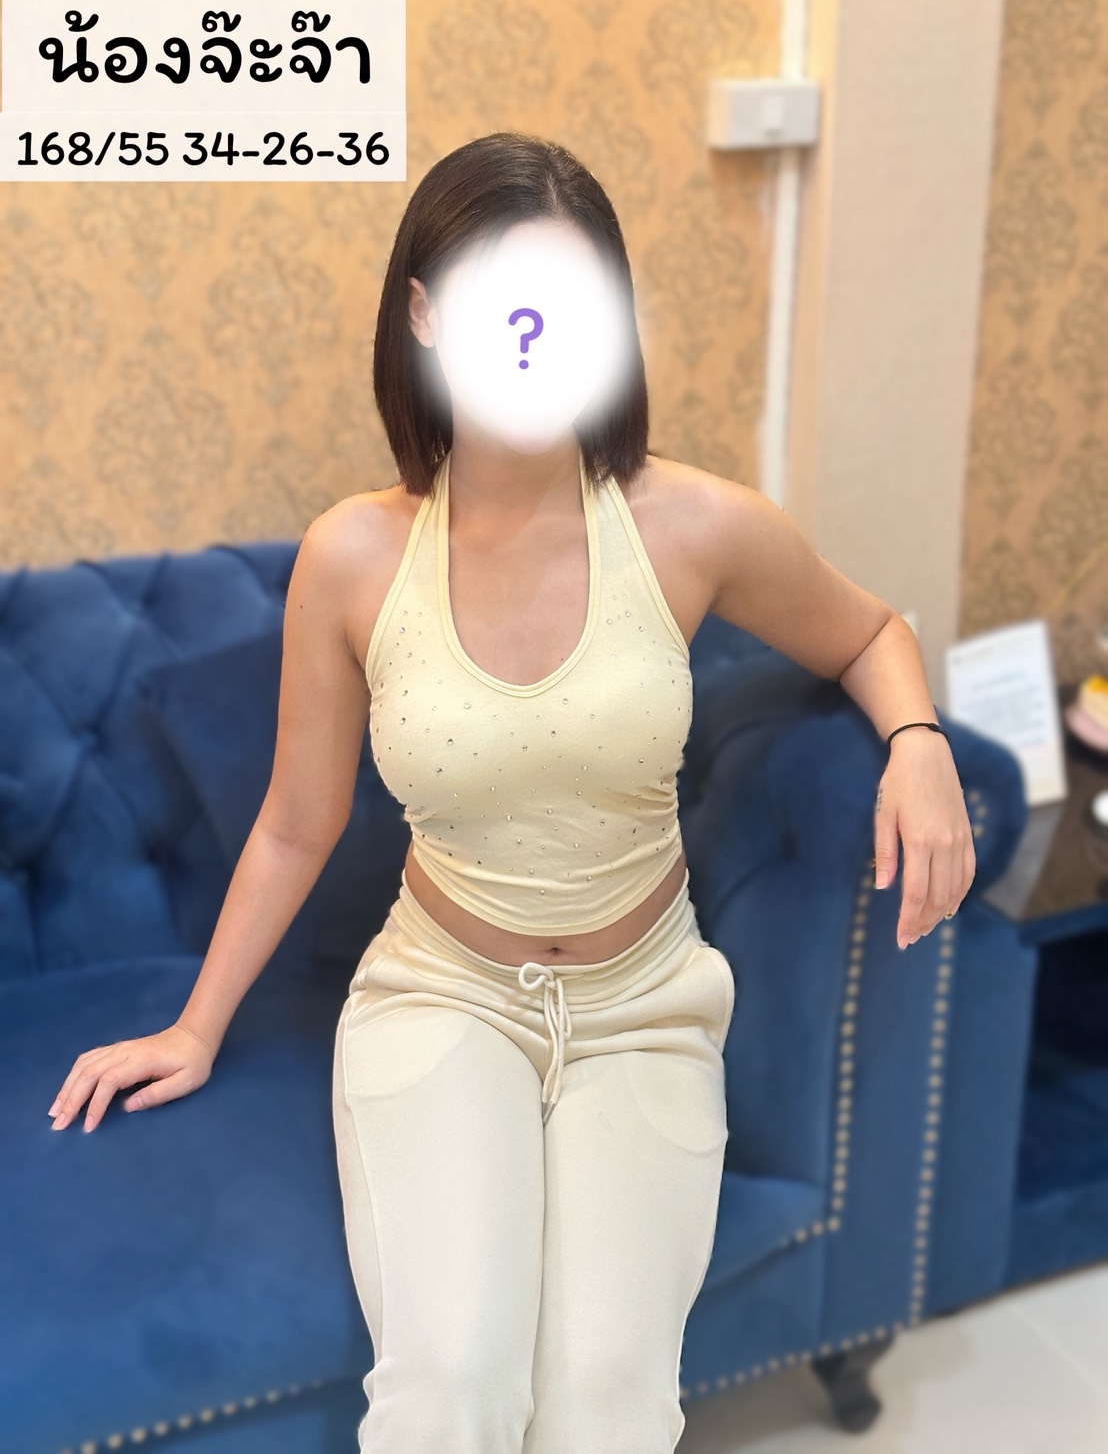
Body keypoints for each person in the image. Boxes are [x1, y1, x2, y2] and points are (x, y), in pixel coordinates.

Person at [46, 132, 975, 1452]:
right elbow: (298, 821)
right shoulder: (354, 556)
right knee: (452, 1394)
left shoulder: (692, 523)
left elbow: (868, 630)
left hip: (645, 1006)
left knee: (608, 1408)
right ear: (426, 316)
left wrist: (920, 742)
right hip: (443, 995)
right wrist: (195, 1027)